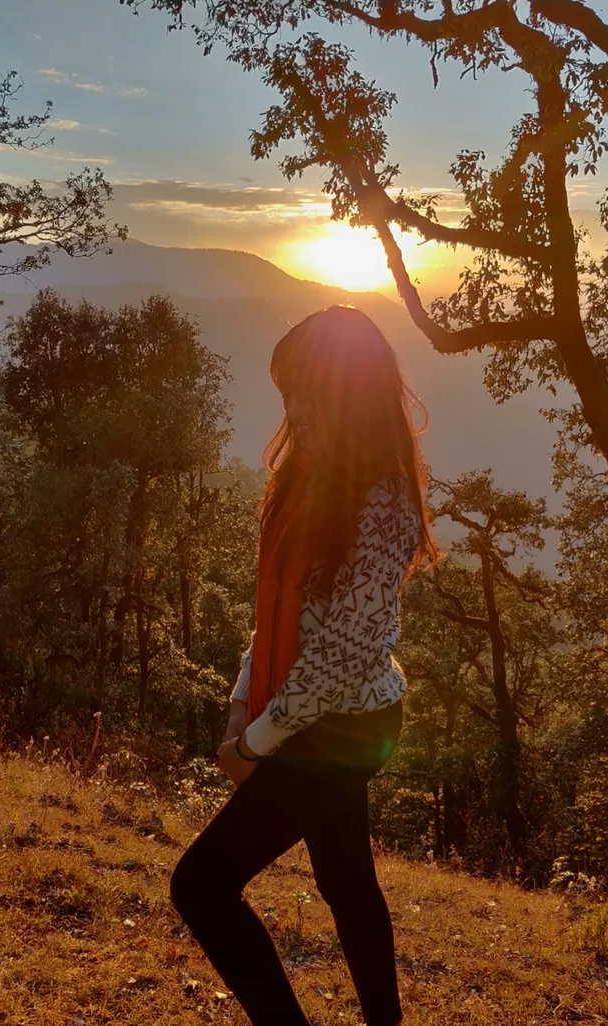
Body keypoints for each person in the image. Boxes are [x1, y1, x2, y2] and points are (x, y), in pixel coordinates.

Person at [169, 305, 437, 1026]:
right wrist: (240, 703)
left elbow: (344, 651)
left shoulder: (383, 503)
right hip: (309, 715)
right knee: (346, 880)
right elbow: (278, 610)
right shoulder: (306, 479)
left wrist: (258, 742)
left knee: (200, 886)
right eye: (287, 391)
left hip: (346, 724)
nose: (293, 408)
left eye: (307, 391)